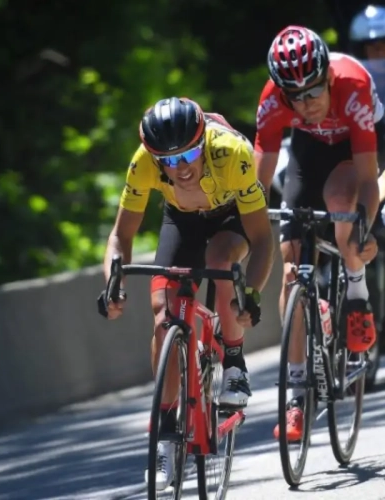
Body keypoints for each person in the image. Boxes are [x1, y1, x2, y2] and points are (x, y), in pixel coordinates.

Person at [99, 97, 274, 490]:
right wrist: (114, 280)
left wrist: (253, 294)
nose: (181, 167)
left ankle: (233, 362)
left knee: (219, 256)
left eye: (190, 153)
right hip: (181, 218)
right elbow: (120, 235)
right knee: (164, 315)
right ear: (154, 157)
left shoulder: (232, 154)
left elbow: (263, 239)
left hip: (232, 214)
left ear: (204, 141)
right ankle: (164, 435)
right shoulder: (143, 161)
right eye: (169, 160)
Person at [254, 25, 385, 441]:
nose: (306, 103)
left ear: (327, 77)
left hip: (358, 148)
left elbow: (369, 181)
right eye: (295, 96)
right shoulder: (273, 101)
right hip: (308, 152)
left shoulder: (353, 84)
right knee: (291, 261)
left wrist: (363, 228)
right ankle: (296, 397)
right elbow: (257, 185)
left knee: (340, 201)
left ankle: (357, 297)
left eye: (312, 91)